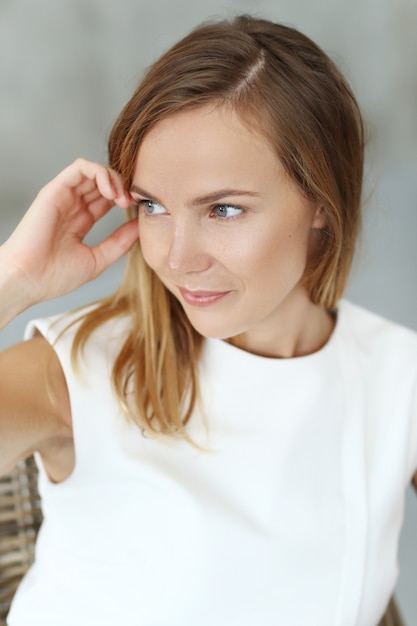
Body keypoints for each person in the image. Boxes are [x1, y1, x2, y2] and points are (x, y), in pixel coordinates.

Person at [0, 14, 416, 626]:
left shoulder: (396, 375)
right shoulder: (75, 370)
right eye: (153, 206)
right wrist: (10, 281)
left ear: (321, 206)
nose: (176, 256)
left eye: (222, 209)